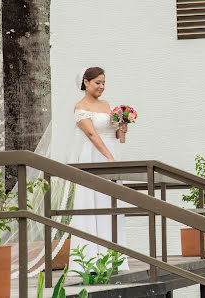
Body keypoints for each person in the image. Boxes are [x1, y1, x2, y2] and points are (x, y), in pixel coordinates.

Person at [69, 67, 129, 272]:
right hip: (95, 155)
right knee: (93, 200)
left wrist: (122, 129)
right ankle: (91, 258)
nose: (102, 87)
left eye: (104, 83)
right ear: (86, 82)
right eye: (97, 83)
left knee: (111, 202)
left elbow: (118, 139)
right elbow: (93, 135)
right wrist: (109, 158)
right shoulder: (80, 107)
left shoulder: (107, 105)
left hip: (112, 153)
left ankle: (114, 256)